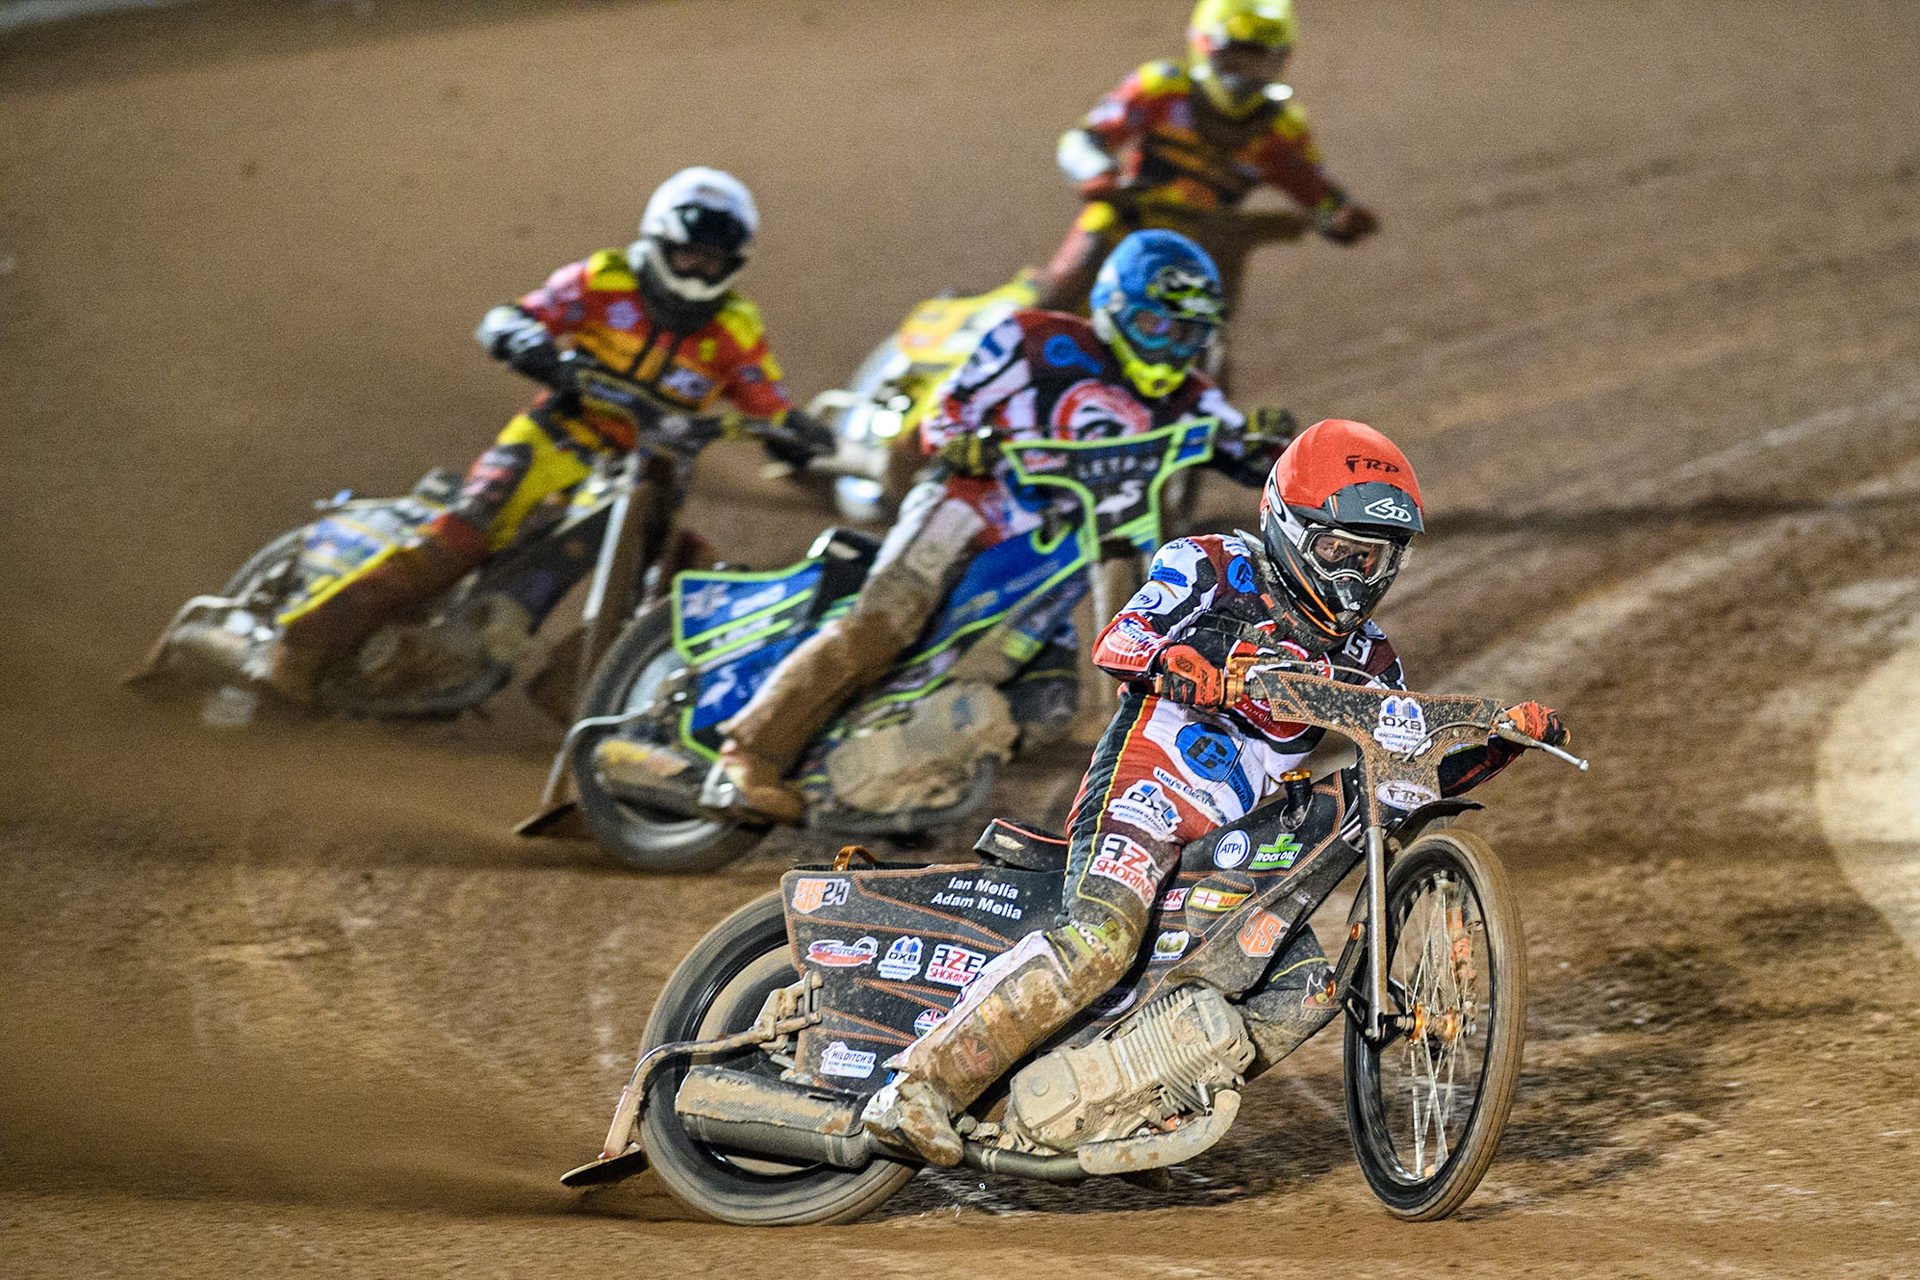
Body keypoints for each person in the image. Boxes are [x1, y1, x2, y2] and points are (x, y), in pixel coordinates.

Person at [860, 417, 1568, 1165]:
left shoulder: (1370, 657)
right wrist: (1185, 658)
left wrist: (1493, 746)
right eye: (1339, 552)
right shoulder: (1213, 564)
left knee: (1310, 992)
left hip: (1236, 842)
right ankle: (915, 1087)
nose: (1357, 576)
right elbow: (1119, 641)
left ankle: (1124, 1106)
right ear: (1288, 525)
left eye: (1375, 558)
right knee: (1100, 940)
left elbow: (1399, 774)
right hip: (1146, 795)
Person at [704, 229, 1287, 824]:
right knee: (884, 622)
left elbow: (1249, 451)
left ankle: (888, 783)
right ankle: (748, 754)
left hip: (1056, 561)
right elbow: (949, 409)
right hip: (971, 508)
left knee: (1049, 704)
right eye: (1158, 325)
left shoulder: (1191, 399)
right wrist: (961, 444)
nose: (1169, 347)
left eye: (1187, 333)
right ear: (1115, 305)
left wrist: (1269, 442)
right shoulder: (1038, 340)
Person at [263, 166, 832, 701]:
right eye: (684, 255)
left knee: (687, 577)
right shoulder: (604, 281)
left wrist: (796, 434)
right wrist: (524, 340)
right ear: (657, 241)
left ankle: (589, 705)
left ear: (733, 263)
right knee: (465, 532)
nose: (694, 273)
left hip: (652, 473)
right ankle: (301, 645)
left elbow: (768, 403)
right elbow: (517, 315)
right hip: (557, 438)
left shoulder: (735, 329)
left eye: (709, 263)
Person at [1038, 0, 1380, 315]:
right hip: (1127, 221)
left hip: (1205, 249)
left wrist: (1342, 218)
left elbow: (1318, 194)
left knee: (1208, 338)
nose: (1244, 74)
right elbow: (1084, 139)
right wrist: (1095, 171)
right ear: (1204, 46)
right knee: (1063, 292)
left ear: (1281, 60)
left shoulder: (1281, 131)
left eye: (1257, 60)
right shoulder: (1162, 87)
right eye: (1235, 57)